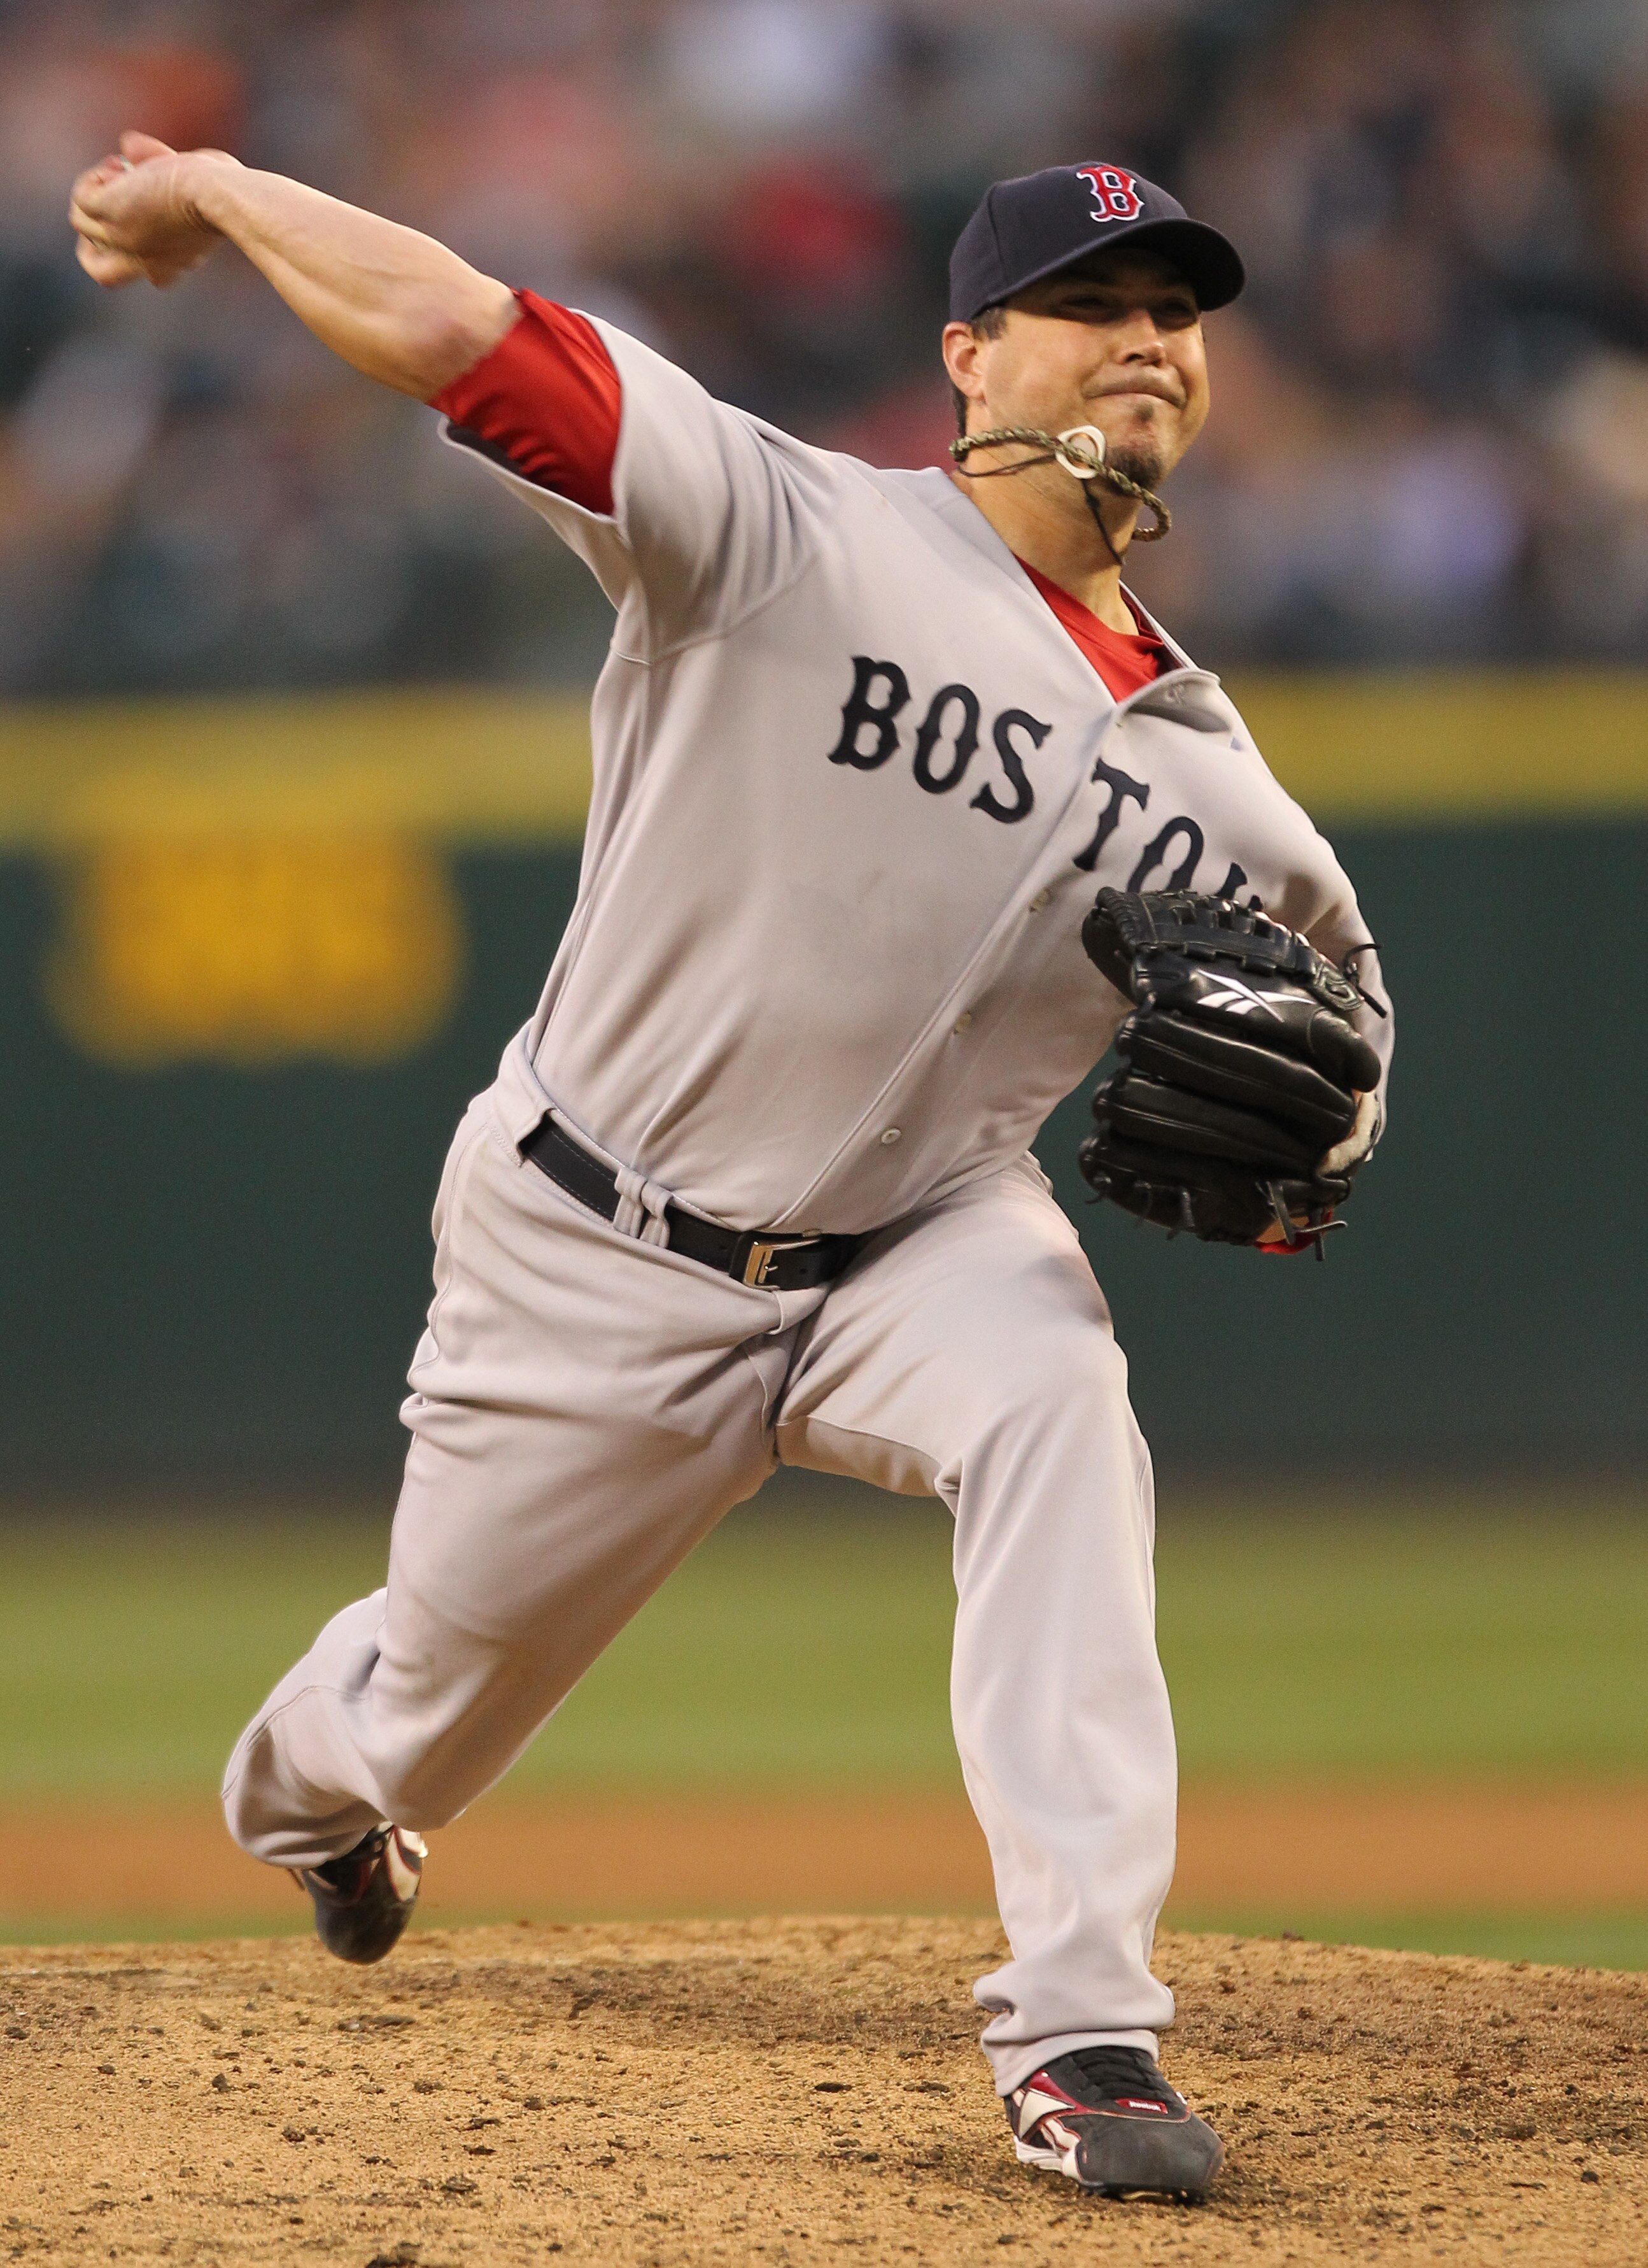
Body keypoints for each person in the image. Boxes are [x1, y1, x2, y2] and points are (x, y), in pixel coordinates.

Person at [69, 139, 1391, 2202]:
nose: (1148, 342)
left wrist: (1331, 1136)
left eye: (1177, 315)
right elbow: (454, 328)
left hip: (924, 1242)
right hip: (597, 1243)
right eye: (1094, 304)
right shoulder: (781, 523)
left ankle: (1083, 2032)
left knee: (1061, 1401)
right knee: (411, 1700)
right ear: (968, 354)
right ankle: (329, 1802)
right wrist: (228, 191)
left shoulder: (1221, 781)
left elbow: (1345, 1039)